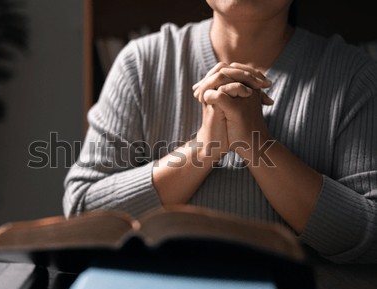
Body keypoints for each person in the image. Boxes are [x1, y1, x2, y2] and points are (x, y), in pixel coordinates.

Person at [63, 0, 377, 264]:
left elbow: (370, 237)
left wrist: (258, 145)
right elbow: (82, 213)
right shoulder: (140, 63)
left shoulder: (356, 77)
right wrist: (203, 149)